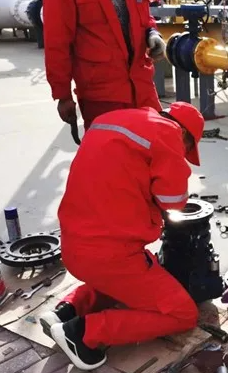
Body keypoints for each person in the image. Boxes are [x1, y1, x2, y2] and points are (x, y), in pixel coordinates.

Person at [38, 102, 204, 371]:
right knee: (183, 314)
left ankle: (66, 311)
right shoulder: (169, 133)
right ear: (184, 133)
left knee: (124, 283)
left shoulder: (115, 118)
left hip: (74, 246)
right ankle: (82, 333)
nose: (183, 153)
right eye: (187, 149)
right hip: (111, 256)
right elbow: (173, 201)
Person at [42, 0, 167, 130]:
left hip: (142, 87)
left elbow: (143, 15)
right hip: (102, 93)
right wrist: (62, 94)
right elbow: (57, 38)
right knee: (111, 145)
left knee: (157, 140)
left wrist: (152, 33)